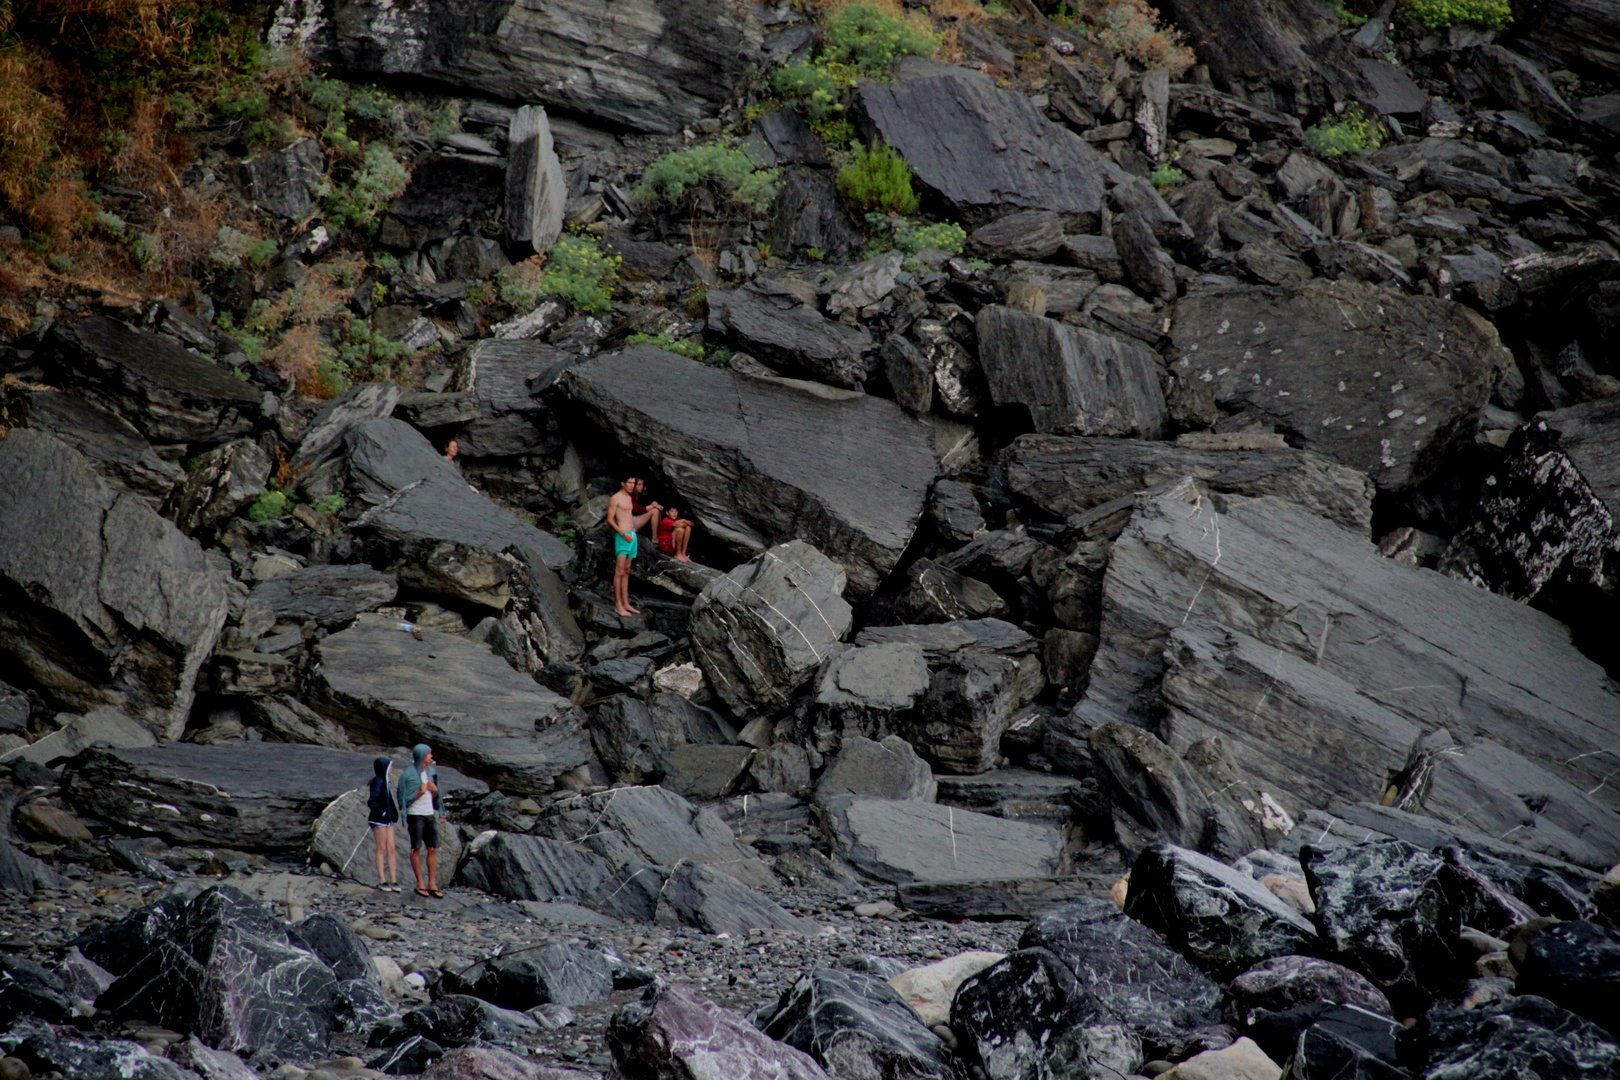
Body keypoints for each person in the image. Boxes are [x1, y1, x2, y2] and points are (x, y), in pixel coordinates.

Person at [607, 475, 660, 618]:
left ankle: (626, 602)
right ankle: (618, 605)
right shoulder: (616, 498)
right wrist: (622, 533)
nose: (631, 485)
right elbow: (610, 520)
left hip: (633, 535)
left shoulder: (631, 498)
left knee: (627, 570)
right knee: (619, 571)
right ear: (622, 483)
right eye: (629, 483)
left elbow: (637, 511)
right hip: (623, 536)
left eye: (633, 483)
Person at [397, 744, 443, 898]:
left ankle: (432, 883)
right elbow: (403, 800)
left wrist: (435, 791)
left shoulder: (431, 773)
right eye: (429, 754)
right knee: (416, 847)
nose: (431, 757)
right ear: (423, 756)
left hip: (429, 813)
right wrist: (420, 792)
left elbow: (434, 796)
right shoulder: (408, 775)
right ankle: (420, 883)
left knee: (433, 848)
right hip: (415, 814)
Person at [366, 756, 401, 892]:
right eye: (390, 766)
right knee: (382, 848)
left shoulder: (386, 781)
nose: (391, 768)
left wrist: (392, 814)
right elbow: (372, 800)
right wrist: (382, 812)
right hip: (379, 819)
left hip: (388, 819)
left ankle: (394, 880)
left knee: (391, 848)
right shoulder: (378, 781)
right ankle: (382, 880)